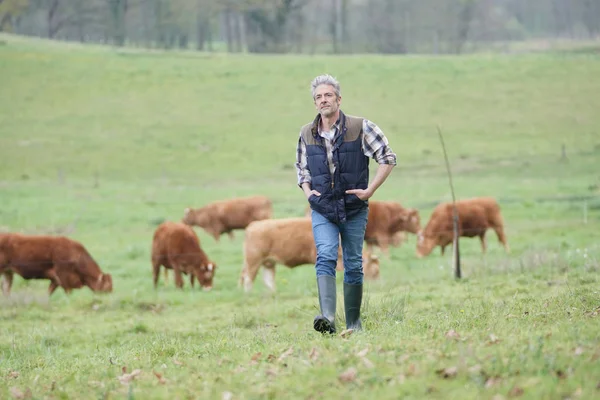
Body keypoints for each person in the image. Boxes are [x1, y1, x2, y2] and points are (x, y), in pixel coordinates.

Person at [295, 74, 397, 334]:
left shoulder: (361, 127)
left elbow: (387, 157)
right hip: (323, 208)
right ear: (314, 103)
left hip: (353, 207)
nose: (323, 100)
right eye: (318, 97)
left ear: (339, 99)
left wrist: (370, 190)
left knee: (352, 262)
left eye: (328, 95)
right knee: (326, 255)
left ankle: (353, 324)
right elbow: (301, 169)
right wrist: (308, 193)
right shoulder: (307, 133)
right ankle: (327, 318)